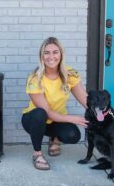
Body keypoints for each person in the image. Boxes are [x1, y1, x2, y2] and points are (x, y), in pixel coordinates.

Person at [22, 37, 88, 170]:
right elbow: (48, 113)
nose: (51, 57)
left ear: (61, 54)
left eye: (55, 52)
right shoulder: (35, 78)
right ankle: (37, 154)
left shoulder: (69, 74)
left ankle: (54, 140)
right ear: (41, 56)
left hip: (56, 121)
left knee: (73, 135)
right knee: (40, 113)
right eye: (46, 53)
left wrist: (107, 114)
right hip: (34, 120)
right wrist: (72, 118)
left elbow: (86, 100)